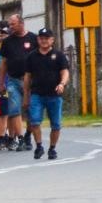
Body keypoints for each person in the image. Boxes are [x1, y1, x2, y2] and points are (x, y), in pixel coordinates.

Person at [22, 27, 70, 159]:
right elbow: (27, 77)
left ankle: (52, 148)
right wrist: (26, 96)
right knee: (34, 121)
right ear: (38, 40)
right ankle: (39, 146)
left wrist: (62, 84)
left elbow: (65, 72)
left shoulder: (59, 55)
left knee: (56, 124)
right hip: (37, 94)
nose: (43, 41)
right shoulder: (31, 56)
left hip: (54, 95)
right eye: (41, 38)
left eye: (46, 38)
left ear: (52, 40)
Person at [0, 13, 39, 149]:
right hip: (13, 80)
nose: (10, 27)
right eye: (9, 24)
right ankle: (20, 138)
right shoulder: (7, 41)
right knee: (14, 109)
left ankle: (28, 135)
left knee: (30, 111)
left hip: (31, 81)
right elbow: (3, 63)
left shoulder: (33, 38)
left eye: (13, 24)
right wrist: (1, 82)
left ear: (21, 23)